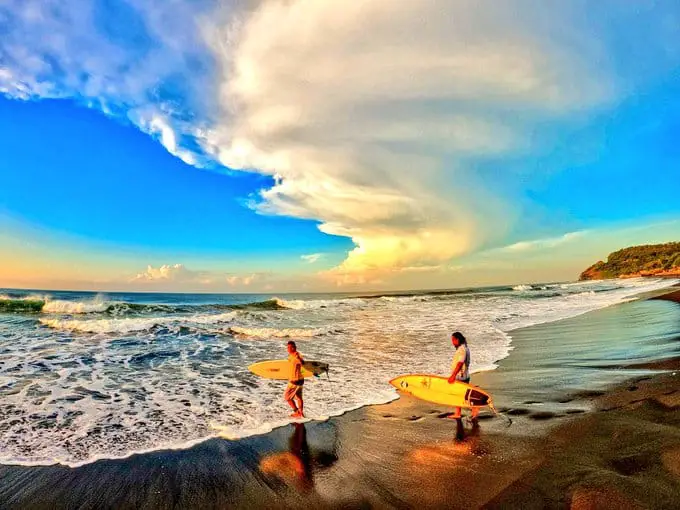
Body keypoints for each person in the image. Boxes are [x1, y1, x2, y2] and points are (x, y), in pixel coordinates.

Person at [447, 331, 479, 421]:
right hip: (464, 375)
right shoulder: (465, 348)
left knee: (460, 395)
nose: (452, 342)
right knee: (460, 395)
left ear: (457, 339)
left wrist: (453, 375)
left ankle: (474, 408)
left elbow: (460, 363)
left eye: (453, 340)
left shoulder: (462, 349)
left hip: (460, 376)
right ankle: (458, 413)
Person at [284, 341, 305, 418]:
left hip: (294, 382)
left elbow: (302, 363)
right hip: (300, 380)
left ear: (294, 348)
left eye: (289, 347)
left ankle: (296, 412)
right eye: (287, 347)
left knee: (287, 397)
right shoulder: (292, 355)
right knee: (299, 397)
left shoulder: (296, 356)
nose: (288, 349)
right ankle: (301, 413)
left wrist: (298, 358)